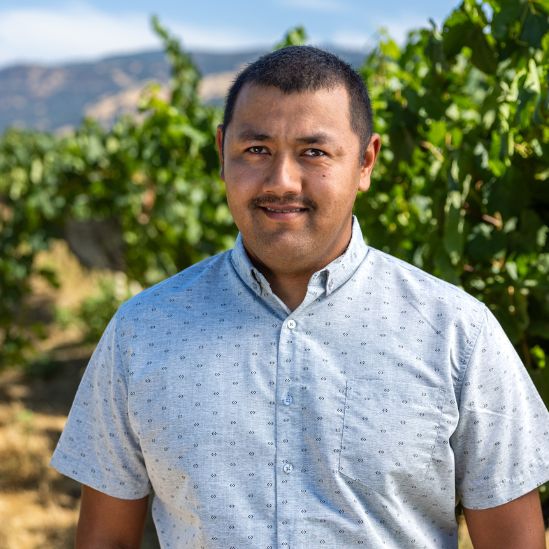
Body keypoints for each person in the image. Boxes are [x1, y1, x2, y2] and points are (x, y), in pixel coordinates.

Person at [51, 46, 549, 548]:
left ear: (365, 161)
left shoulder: (459, 333)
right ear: (222, 152)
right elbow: (106, 539)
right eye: (256, 150)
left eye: (314, 152)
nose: (282, 181)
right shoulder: (143, 331)